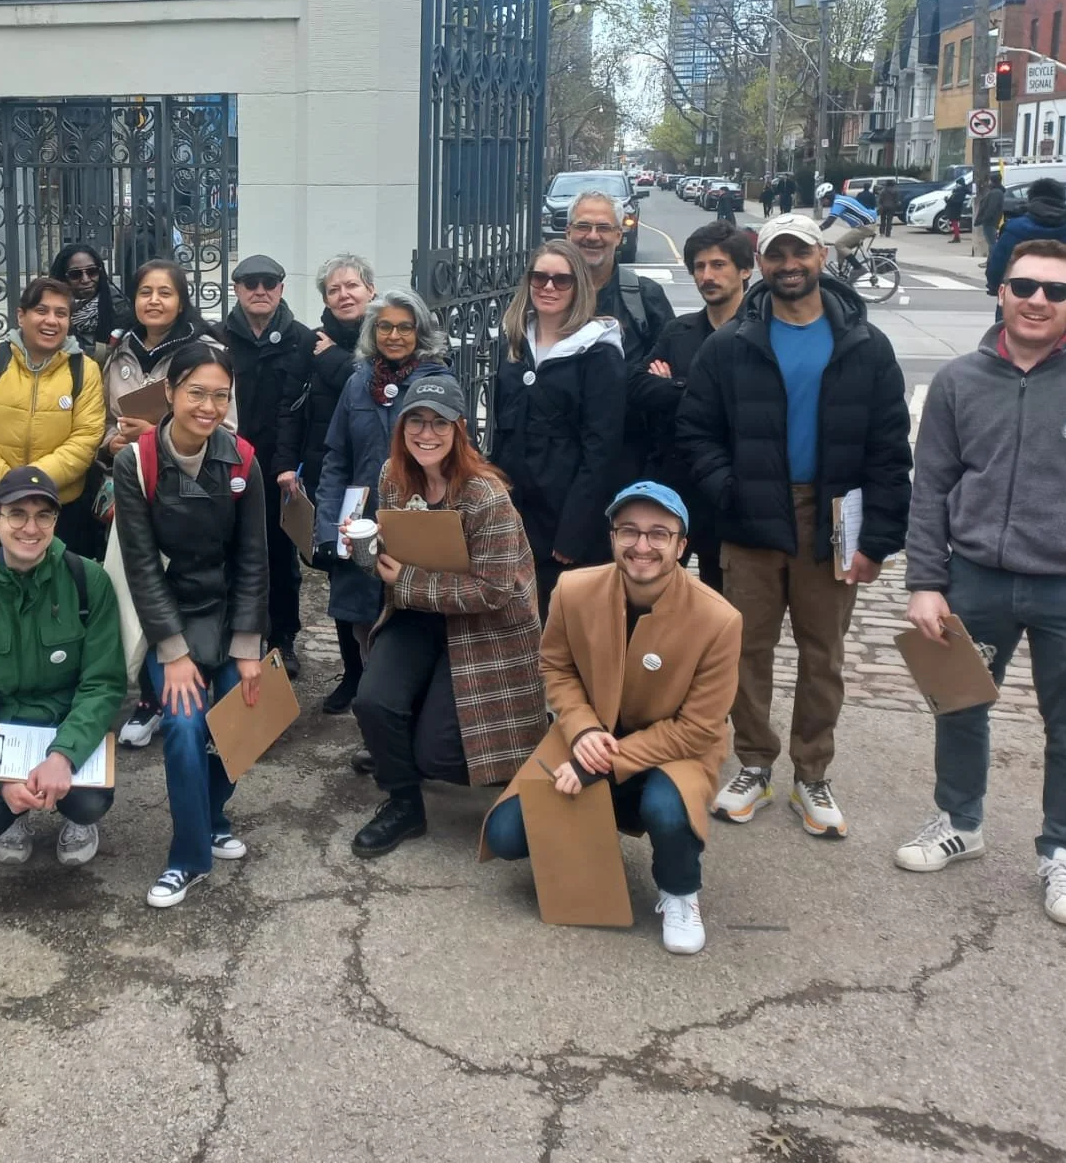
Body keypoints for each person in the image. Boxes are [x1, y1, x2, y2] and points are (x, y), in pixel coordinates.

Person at [897, 240, 1066, 929]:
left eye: (1056, 290)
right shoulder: (958, 381)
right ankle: (960, 819)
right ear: (1001, 292)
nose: (1038, 299)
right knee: (958, 705)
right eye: (1024, 285)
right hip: (975, 580)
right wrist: (927, 581)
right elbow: (931, 490)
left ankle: (1064, 851)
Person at [676, 212, 911, 839]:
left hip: (833, 515)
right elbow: (695, 432)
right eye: (776, 254)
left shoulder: (864, 344)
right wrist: (729, 491)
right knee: (744, 651)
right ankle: (754, 762)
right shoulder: (731, 345)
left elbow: (890, 448)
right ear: (764, 263)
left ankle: (813, 771)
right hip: (751, 516)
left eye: (799, 253)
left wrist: (879, 538)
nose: (788, 265)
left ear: (821, 259)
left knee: (822, 652)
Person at [481, 482, 742, 955]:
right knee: (505, 836)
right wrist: (581, 729)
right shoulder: (574, 589)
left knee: (666, 808)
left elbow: (700, 728)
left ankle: (680, 889)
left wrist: (600, 762)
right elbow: (556, 667)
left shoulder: (719, 619)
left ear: (682, 546)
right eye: (630, 531)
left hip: (673, 748)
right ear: (612, 537)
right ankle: (588, 840)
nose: (643, 545)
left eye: (659, 534)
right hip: (590, 734)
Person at [348, 374, 548, 859]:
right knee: (372, 703)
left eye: (439, 423)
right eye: (416, 420)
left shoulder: (486, 496)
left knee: (434, 754)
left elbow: (496, 589)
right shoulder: (391, 478)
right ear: (401, 427)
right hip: (418, 614)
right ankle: (403, 803)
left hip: (485, 627)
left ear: (460, 430)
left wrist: (408, 582)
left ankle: (514, 749)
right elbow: (389, 554)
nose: (426, 433)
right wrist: (363, 547)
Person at [111, 340, 269, 908]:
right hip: (171, 617)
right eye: (196, 393)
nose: (208, 406)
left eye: (220, 396)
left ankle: (212, 812)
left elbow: (254, 557)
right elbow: (141, 566)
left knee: (247, 717)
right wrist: (173, 654)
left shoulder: (243, 459)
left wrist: (249, 646)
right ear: (171, 394)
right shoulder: (137, 462)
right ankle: (189, 856)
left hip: (229, 617)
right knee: (182, 726)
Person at [0, 465, 126, 868]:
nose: (31, 528)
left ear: (56, 520)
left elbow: (103, 683)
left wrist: (64, 756)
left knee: (90, 801)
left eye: (43, 515)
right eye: (17, 514)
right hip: (2, 735)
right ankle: (11, 814)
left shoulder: (87, 582)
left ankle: (77, 818)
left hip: (64, 723)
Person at [102, 259, 234, 748]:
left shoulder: (206, 353)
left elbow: (228, 428)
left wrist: (161, 438)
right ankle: (150, 691)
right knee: (137, 583)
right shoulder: (118, 354)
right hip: (132, 483)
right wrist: (113, 444)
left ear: (182, 300)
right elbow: (103, 421)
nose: (154, 301)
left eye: (165, 292)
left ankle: (197, 684)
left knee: (186, 585)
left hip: (192, 491)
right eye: (145, 292)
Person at [313, 288, 453, 720]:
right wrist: (326, 527)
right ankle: (380, 727)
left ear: (420, 332)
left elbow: (454, 461)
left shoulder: (438, 383)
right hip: (360, 525)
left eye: (404, 327)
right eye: (385, 326)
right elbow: (337, 457)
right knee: (363, 627)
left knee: (411, 629)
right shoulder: (358, 382)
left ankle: (409, 726)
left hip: (416, 525)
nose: (394, 335)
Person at [492, 240, 626, 614]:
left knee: (561, 630)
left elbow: (601, 452)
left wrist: (574, 531)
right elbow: (502, 432)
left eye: (561, 280)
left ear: (578, 286)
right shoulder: (517, 344)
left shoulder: (599, 354)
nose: (548, 287)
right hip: (516, 514)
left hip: (564, 520)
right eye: (540, 277)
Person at [0, 275, 108, 563]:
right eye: (41, 310)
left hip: (60, 507)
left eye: (61, 313)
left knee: (56, 592)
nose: (51, 320)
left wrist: (34, 484)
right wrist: (10, 486)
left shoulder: (84, 370)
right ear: (21, 316)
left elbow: (85, 440)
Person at [215, 254, 316, 679]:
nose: (260, 291)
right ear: (236, 289)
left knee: (280, 558)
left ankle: (283, 638)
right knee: (224, 553)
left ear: (281, 288)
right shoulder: (216, 339)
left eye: (269, 283)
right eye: (250, 283)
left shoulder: (304, 340)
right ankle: (230, 637)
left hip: (280, 469)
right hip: (225, 464)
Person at [640, 223, 753, 592]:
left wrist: (673, 385)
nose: (707, 275)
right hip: (675, 491)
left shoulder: (760, 334)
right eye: (700, 267)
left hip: (730, 494)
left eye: (719, 265)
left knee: (723, 607)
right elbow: (641, 389)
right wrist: (686, 387)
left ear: (745, 270)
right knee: (652, 600)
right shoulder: (679, 331)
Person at [299, 253, 377, 711]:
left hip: (379, 472)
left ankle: (384, 677)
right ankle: (353, 674)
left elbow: (366, 381)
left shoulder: (389, 332)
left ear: (369, 289)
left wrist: (335, 360)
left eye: (352, 286)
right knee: (344, 580)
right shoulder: (313, 342)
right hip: (338, 477)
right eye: (334, 289)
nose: (344, 295)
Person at [566, 188, 675, 480]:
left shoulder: (646, 298)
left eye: (603, 228)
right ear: (568, 232)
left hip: (629, 457)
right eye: (583, 226)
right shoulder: (545, 294)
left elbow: (668, 378)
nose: (592, 236)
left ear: (619, 235)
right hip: (561, 459)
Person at [985, 178, 1066, 328]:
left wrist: (1010, 287)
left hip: (1018, 307)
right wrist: (1063, 286)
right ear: (1062, 200)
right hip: (1063, 310)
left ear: (1031, 198)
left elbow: (995, 270)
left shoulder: (1013, 231)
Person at [52, 242, 119, 350]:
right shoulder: (50, 313)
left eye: (92, 271)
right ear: (63, 278)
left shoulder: (118, 308)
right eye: (75, 274)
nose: (85, 280)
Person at [824, 185, 879, 266]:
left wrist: (816, 230)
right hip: (866, 225)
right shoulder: (840, 199)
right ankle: (840, 274)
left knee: (839, 244)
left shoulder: (838, 203)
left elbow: (829, 222)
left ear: (828, 197)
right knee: (841, 249)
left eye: (822, 199)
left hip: (865, 227)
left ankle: (858, 269)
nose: (822, 202)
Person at [973, 177, 1005, 260]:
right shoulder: (996, 192)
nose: (988, 183)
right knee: (991, 242)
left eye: (990, 181)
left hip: (990, 222)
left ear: (993, 182)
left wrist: (985, 218)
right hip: (991, 221)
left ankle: (993, 260)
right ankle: (990, 260)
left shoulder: (996, 193)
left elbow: (992, 208)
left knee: (992, 243)